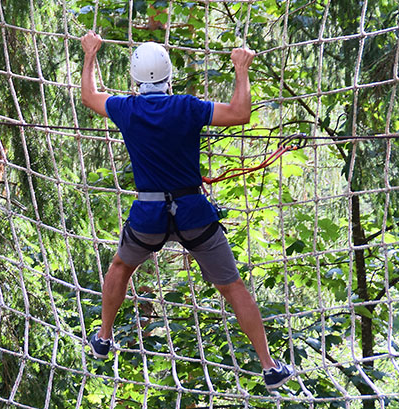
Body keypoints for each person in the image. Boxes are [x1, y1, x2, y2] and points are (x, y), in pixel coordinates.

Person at [78, 30, 295, 390]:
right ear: (169, 76)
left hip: (148, 217)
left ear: (134, 78)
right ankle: (269, 366)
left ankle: (103, 337)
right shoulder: (187, 107)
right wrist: (241, 68)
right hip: (193, 214)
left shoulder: (126, 109)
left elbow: (89, 96)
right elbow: (241, 114)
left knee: (121, 267)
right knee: (232, 286)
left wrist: (90, 54)